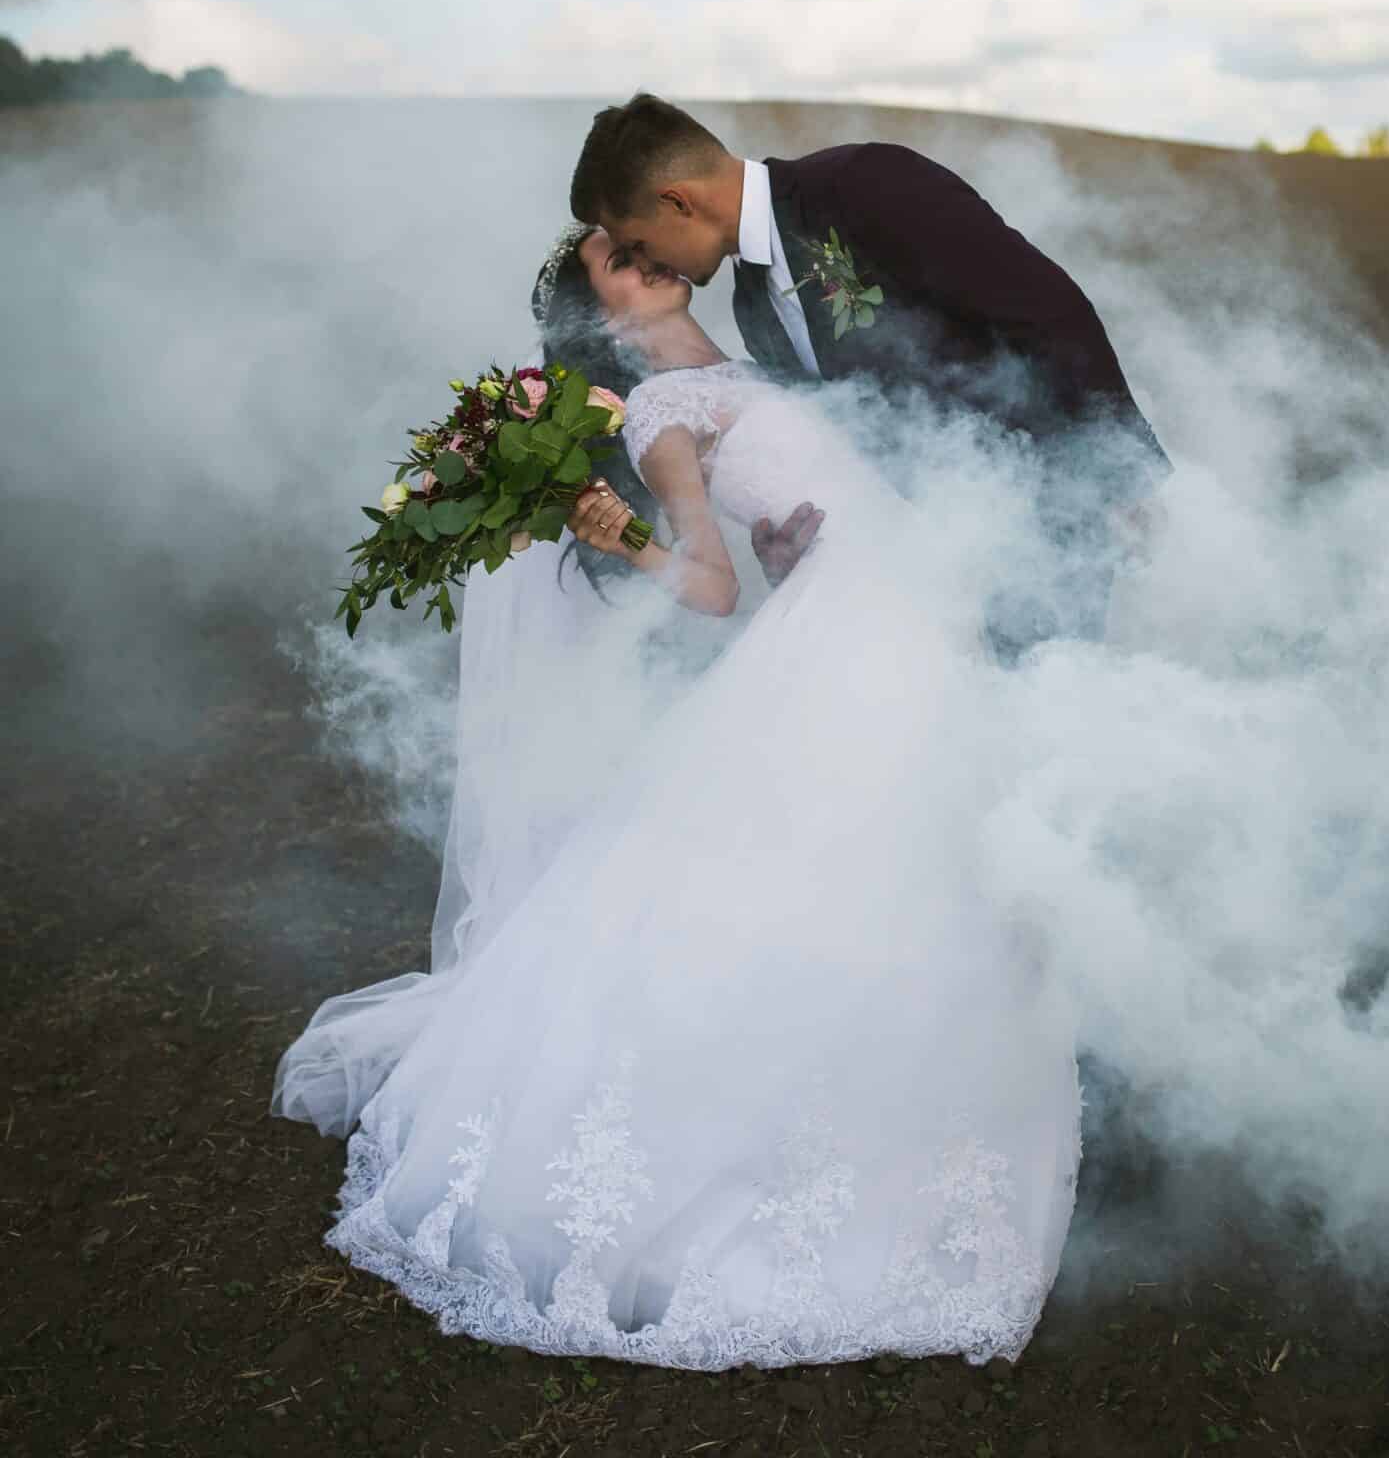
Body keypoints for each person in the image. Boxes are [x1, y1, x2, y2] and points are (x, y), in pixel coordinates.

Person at [273, 223, 1082, 1371]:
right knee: (837, 865)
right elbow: (709, 586)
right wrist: (628, 542)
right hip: (842, 640)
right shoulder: (658, 410)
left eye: (639, 238)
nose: (642, 252)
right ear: (603, 311)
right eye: (615, 256)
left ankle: (926, 1099)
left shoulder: (761, 348)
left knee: (931, 868)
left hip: (913, 610)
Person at [570, 93, 1170, 641]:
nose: (651, 263)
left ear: (678, 201)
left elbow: (1043, 306)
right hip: (934, 564)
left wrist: (1120, 475)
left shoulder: (864, 183)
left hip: (1040, 514)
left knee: (1048, 700)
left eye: (640, 244)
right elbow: (845, 434)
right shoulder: (751, 306)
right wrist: (793, 552)